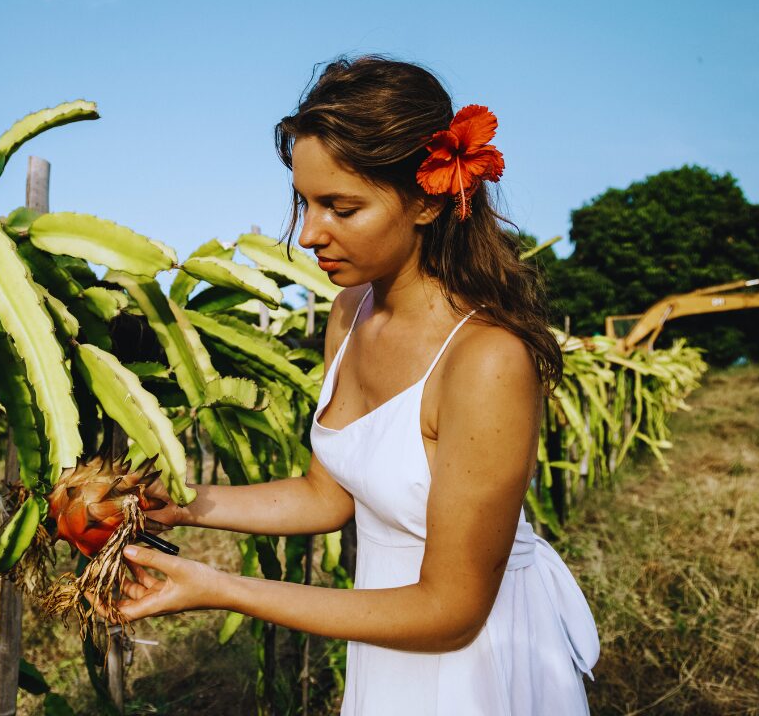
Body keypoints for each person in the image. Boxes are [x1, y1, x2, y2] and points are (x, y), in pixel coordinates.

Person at [117, 56, 599, 715]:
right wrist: (177, 503)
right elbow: (327, 496)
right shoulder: (351, 312)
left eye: (341, 207)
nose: (311, 233)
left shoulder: (486, 360)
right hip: (384, 635)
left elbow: (450, 610)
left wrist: (222, 587)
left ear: (428, 199)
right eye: (304, 202)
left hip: (474, 661)